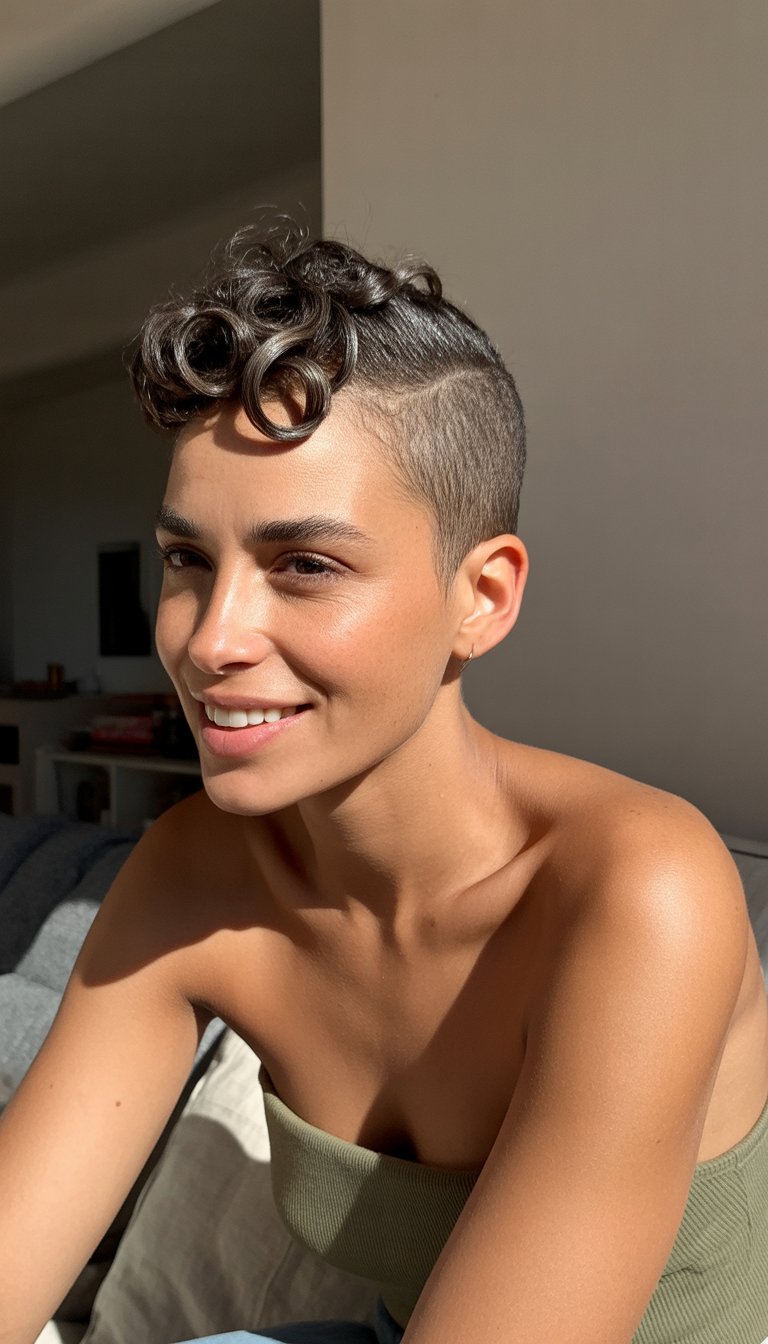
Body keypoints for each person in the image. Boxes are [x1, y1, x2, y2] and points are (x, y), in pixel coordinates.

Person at [1, 217, 767, 1344]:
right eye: (188, 561)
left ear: (485, 598)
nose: (212, 640)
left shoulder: (639, 889)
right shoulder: (196, 873)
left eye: (304, 565)